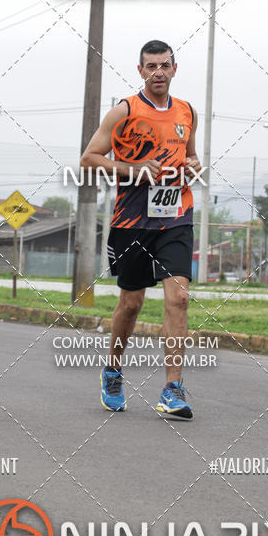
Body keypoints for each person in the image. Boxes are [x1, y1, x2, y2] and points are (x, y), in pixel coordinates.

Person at [80, 39, 200, 419]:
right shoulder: (124, 111)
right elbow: (88, 159)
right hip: (132, 221)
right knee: (131, 304)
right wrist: (132, 169)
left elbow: (191, 154)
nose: (158, 72)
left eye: (164, 65)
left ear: (175, 69)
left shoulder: (186, 112)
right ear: (140, 71)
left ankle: (172, 389)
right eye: (150, 66)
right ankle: (113, 371)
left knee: (178, 299)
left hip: (175, 216)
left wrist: (194, 165)